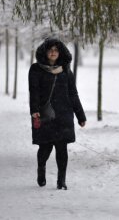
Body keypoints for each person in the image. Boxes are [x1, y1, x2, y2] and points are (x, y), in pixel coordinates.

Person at [28, 37, 86, 190]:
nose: (53, 52)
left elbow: (73, 94)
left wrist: (81, 116)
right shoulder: (36, 69)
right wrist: (34, 110)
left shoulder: (66, 70)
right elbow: (33, 91)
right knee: (45, 148)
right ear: (45, 52)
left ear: (60, 53)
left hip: (63, 115)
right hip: (45, 115)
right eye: (50, 50)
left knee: (62, 149)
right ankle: (41, 170)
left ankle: (62, 180)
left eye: (56, 50)